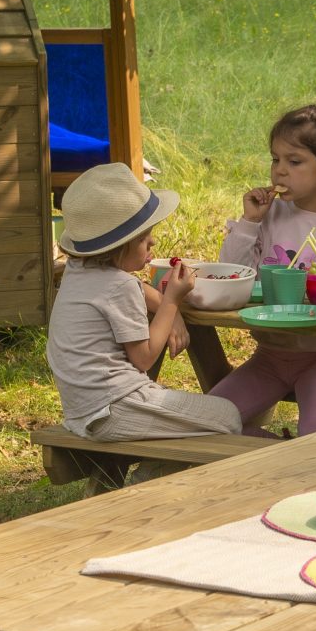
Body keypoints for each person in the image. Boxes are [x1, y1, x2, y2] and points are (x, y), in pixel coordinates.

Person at [48, 163, 241, 442]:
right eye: (141, 238)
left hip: (83, 410)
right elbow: (144, 358)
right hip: (116, 408)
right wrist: (172, 302)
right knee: (228, 416)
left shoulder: (77, 272)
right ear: (116, 248)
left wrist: (165, 305)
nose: (152, 242)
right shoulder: (119, 286)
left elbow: (139, 288)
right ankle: (150, 477)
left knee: (201, 425)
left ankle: (154, 471)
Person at [213, 105, 316, 436]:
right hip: (269, 357)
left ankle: (297, 464)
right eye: (275, 159)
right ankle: (276, 456)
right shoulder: (269, 215)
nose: (280, 171)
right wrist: (249, 222)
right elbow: (231, 275)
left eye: (295, 161)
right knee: (206, 420)